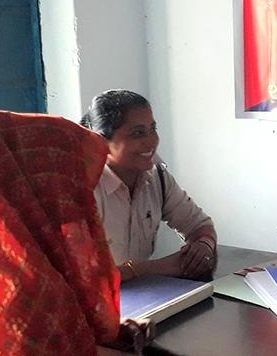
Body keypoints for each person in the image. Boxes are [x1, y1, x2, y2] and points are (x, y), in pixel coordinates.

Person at [0, 111, 152, 355]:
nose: (80, 200)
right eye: (71, 182)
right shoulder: (32, 297)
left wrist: (116, 333)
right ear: (45, 190)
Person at [81, 89, 217, 283]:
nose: (152, 141)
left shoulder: (157, 178)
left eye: (153, 129)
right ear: (102, 142)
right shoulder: (85, 189)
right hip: (98, 304)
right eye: (138, 133)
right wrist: (159, 267)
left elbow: (200, 225)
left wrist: (203, 245)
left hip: (142, 297)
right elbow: (86, 277)